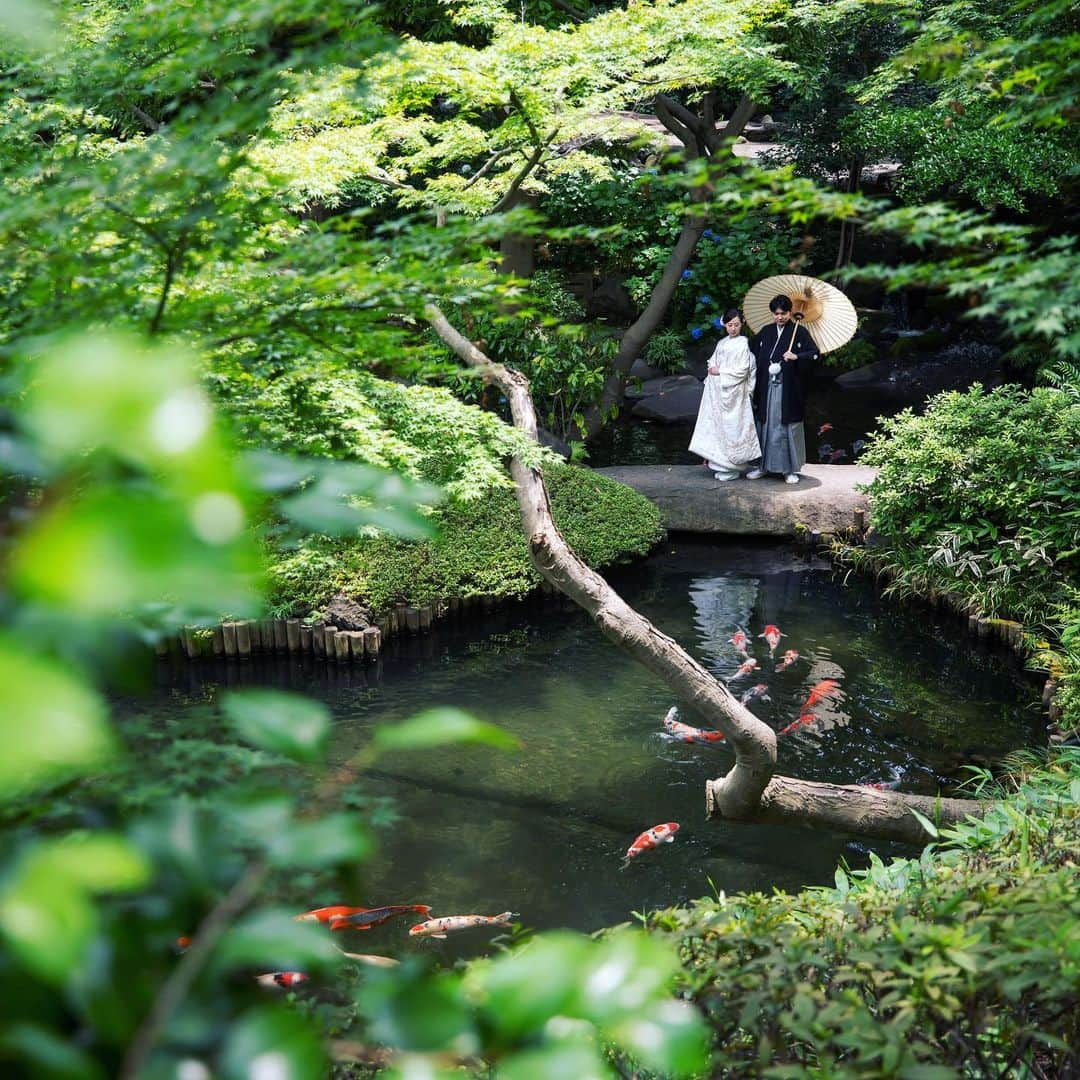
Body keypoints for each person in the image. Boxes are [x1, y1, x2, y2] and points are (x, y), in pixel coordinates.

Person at [747, 294, 819, 484]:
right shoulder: (766, 331)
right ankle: (762, 465)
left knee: (784, 425)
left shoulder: (799, 331)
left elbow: (814, 353)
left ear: (790, 313)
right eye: (776, 313)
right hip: (766, 386)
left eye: (784, 313)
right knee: (766, 423)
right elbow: (751, 353)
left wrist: (796, 357)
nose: (780, 317)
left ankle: (789, 469)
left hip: (788, 388)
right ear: (772, 314)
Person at [688, 308, 760, 481]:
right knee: (718, 426)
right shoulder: (722, 343)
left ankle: (733, 467)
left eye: (736, 325)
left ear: (741, 324)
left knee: (733, 427)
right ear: (725, 325)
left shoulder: (744, 343)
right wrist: (712, 367)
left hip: (735, 393)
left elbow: (743, 370)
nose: (733, 328)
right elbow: (713, 360)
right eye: (730, 325)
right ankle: (720, 464)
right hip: (719, 392)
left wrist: (720, 371)